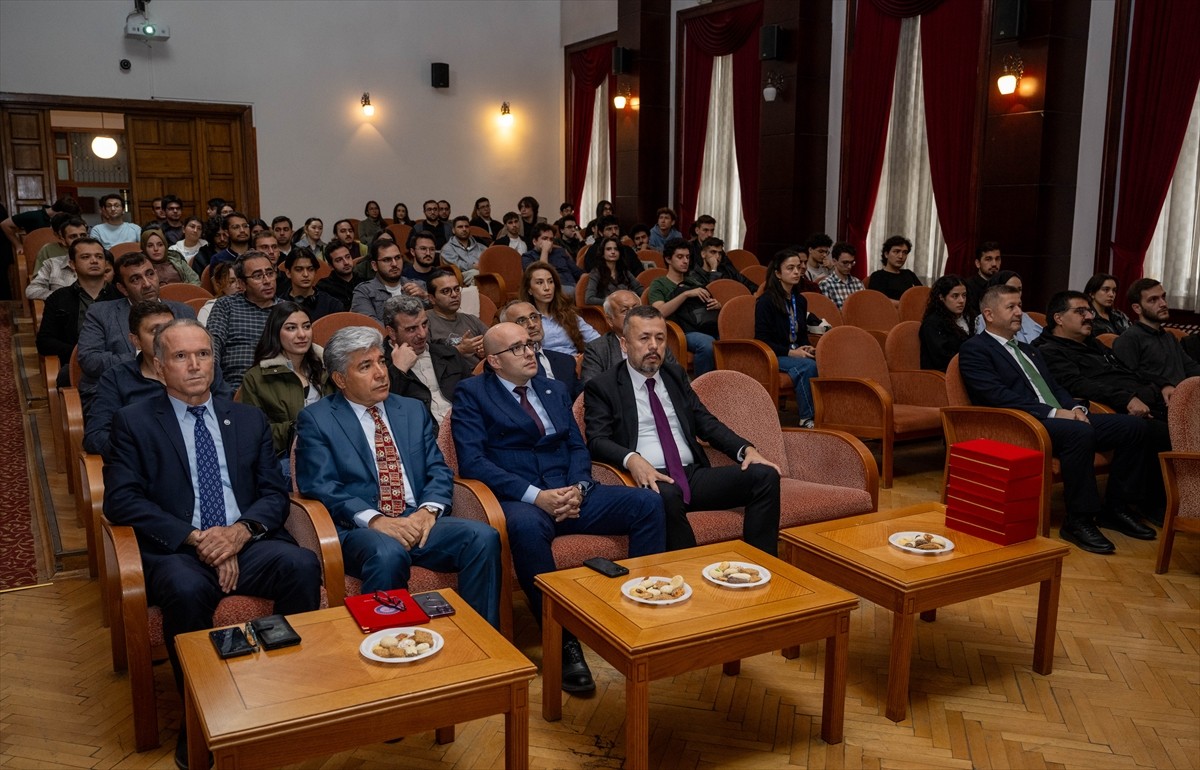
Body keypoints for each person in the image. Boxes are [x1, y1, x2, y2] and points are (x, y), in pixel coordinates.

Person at [102, 319, 321, 769]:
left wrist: (238, 534)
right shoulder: (134, 422)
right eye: (181, 357)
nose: (195, 365)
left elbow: (273, 493)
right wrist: (196, 538)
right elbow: (122, 500)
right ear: (159, 366)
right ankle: (199, 716)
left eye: (202, 354)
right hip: (177, 548)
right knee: (185, 589)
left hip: (246, 540)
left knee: (300, 565)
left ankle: (281, 692)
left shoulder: (246, 418)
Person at [452, 322, 665, 691]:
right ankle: (563, 642)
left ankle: (637, 612)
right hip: (522, 499)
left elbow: (578, 447)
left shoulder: (553, 388)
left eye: (530, 344)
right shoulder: (472, 393)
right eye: (517, 348)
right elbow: (473, 462)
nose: (529, 352)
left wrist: (579, 487)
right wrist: (537, 496)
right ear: (494, 361)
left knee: (648, 503)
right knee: (525, 528)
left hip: (571, 490)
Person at [295, 326, 502, 628]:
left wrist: (428, 511)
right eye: (365, 366)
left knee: (483, 537)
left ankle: (479, 639)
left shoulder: (411, 409)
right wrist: (376, 521)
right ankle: (389, 647)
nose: (381, 373)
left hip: (416, 517)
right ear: (340, 379)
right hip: (360, 528)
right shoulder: (317, 419)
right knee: (387, 553)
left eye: (381, 361)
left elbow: (438, 468)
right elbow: (320, 485)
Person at [958, 285, 1156, 554]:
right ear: (989, 315)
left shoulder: (1029, 350)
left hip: (1059, 418)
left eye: (1020, 305)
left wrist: (1076, 409)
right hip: (1023, 423)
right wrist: (1054, 413)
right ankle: (1079, 520)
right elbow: (997, 396)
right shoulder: (975, 349)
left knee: (1134, 427)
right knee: (1079, 433)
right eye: (1011, 307)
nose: (1019, 312)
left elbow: (1056, 389)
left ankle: (1117, 508)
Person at [585, 304, 782, 554]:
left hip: (691, 475)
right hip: (651, 477)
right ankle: (689, 570)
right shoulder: (603, 386)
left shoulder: (674, 375)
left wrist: (745, 450)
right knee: (664, 495)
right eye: (644, 338)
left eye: (660, 338)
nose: (653, 346)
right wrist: (632, 459)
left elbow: (705, 422)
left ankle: (761, 564)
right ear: (624, 344)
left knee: (764, 476)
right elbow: (597, 440)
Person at [1033, 290, 1170, 520]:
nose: (1089, 316)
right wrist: (1126, 399)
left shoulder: (1093, 343)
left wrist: (1163, 384)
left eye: (1089, 311)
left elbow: (1128, 371)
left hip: (1145, 397)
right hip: (1112, 406)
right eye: (1081, 311)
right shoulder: (1048, 350)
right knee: (1161, 432)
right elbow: (1078, 385)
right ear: (1058, 318)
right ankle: (1150, 504)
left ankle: (1179, 499)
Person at [84, 301, 232, 456]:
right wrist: (147, 448)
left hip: (209, 452)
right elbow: (96, 437)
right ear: (136, 341)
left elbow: (228, 417)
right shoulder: (116, 378)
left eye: (170, 327)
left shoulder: (203, 371)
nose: (164, 336)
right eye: (154, 330)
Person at [76, 252, 196, 406]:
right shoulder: (101, 313)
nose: (147, 284)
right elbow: (90, 360)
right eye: (135, 279)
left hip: (179, 391)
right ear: (122, 288)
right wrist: (142, 358)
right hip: (120, 395)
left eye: (150, 274)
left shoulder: (184, 312)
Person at [237, 301, 333, 463]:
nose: (302, 334)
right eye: (291, 328)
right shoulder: (256, 378)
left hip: (332, 450)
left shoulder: (327, 369)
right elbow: (252, 432)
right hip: (285, 457)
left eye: (306, 326)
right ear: (275, 333)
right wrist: (296, 429)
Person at [36, 238, 120, 386]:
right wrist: (81, 354)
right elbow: (44, 342)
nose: (94, 261)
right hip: (77, 367)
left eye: (99, 257)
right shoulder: (59, 298)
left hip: (118, 365)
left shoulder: (121, 296)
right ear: (72, 264)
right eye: (85, 257)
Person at [381, 294, 471, 426]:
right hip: (421, 433)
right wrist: (398, 370)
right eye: (412, 329)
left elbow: (474, 393)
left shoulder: (449, 354)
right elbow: (383, 410)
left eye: (424, 324)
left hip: (463, 425)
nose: (422, 334)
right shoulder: (379, 364)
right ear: (392, 332)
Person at [755, 250, 820, 427]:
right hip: (774, 354)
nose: (796, 272)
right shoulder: (766, 301)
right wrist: (791, 353)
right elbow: (762, 339)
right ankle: (807, 417)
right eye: (790, 268)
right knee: (807, 366)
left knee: (824, 360)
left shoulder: (800, 301)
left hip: (794, 352)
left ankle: (826, 415)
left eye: (798, 267)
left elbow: (802, 334)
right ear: (778, 273)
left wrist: (807, 347)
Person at [1113, 278, 1200, 398]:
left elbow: (1190, 367)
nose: (1163, 304)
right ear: (1137, 308)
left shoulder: (1169, 336)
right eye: (1153, 300)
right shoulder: (1129, 339)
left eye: (1163, 297)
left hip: (1186, 398)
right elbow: (1128, 379)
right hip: (1159, 402)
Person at [206, 251, 280, 389]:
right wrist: (218, 387)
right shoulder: (226, 305)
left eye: (270, 273)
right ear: (241, 283)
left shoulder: (286, 310)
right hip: (235, 386)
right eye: (257, 276)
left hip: (279, 385)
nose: (267, 281)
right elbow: (212, 345)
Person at [648, 238, 719, 375]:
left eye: (687, 257)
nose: (685, 261)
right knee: (706, 343)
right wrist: (685, 294)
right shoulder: (659, 283)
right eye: (680, 257)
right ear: (668, 259)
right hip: (677, 331)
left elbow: (706, 305)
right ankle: (701, 386)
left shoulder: (693, 281)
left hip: (700, 325)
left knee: (728, 342)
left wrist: (717, 305)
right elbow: (660, 312)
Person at [581, 290, 678, 382]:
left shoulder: (656, 343)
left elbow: (678, 379)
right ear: (610, 320)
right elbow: (591, 388)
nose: (632, 314)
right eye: (625, 310)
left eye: (636, 309)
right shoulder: (597, 348)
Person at [498, 300, 581, 396]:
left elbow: (578, 400)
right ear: (507, 329)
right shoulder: (504, 365)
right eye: (522, 321)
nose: (532, 325)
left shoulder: (566, 361)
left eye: (534, 317)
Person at [519, 263, 598, 355]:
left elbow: (595, 339)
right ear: (529, 289)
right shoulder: (524, 319)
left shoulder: (568, 313)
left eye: (550, 282)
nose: (547, 288)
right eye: (540, 283)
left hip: (574, 360)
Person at [351, 239, 423, 325]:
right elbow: (370, 325)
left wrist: (425, 298)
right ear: (374, 265)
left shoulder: (418, 286)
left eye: (397, 258)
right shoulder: (364, 292)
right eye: (387, 260)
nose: (394, 264)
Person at [425, 269, 487, 368]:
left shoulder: (471, 319)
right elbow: (424, 357)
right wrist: (459, 350)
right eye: (446, 291)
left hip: (480, 372)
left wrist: (485, 348)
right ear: (432, 298)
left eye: (457, 289)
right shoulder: (424, 322)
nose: (454, 295)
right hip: (448, 375)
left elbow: (495, 341)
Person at [24, 216, 90, 299]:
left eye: (83, 235)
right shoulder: (52, 264)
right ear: (63, 240)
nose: (79, 240)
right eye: (73, 236)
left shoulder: (99, 262)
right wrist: (60, 296)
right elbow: (32, 291)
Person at [919, 275, 971, 372]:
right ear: (941, 297)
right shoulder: (932, 323)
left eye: (964, 295)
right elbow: (942, 358)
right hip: (943, 374)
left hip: (966, 367)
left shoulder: (969, 317)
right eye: (955, 296)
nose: (961, 300)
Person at [973, 271, 1042, 343]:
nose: (1016, 293)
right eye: (1010, 289)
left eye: (1019, 289)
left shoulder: (1024, 316)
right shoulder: (983, 319)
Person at [1, 195, 80, 256]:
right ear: (61, 213)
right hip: (37, 255)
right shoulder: (34, 216)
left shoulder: (60, 220)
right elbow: (5, 224)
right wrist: (18, 245)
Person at [280, 247, 340, 321]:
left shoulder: (332, 304)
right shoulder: (279, 305)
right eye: (299, 270)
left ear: (315, 272)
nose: (306, 274)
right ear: (288, 273)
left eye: (310, 269)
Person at [523, 223, 583, 295]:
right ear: (535, 241)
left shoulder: (560, 252)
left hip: (572, 286)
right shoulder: (528, 256)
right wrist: (545, 251)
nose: (549, 242)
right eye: (545, 239)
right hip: (551, 289)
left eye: (551, 239)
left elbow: (577, 272)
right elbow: (541, 277)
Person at [585, 236, 643, 306]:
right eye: (608, 249)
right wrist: (612, 303)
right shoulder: (596, 272)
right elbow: (589, 299)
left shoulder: (624, 271)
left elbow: (640, 290)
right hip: (608, 309)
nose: (613, 252)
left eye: (616, 249)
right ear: (602, 253)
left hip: (629, 306)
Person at [868, 235, 922, 301]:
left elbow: (923, 294)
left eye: (905, 252)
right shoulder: (878, 276)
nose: (901, 256)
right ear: (886, 254)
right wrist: (906, 304)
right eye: (896, 251)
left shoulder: (909, 274)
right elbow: (877, 300)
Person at [315, 241, 364, 312]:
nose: (346, 262)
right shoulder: (323, 287)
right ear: (331, 266)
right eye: (339, 260)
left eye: (348, 257)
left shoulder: (363, 281)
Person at [818, 242, 865, 310]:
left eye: (852, 262)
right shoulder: (826, 284)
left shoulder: (858, 283)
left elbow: (864, 309)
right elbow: (827, 312)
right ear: (834, 261)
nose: (849, 266)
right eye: (845, 262)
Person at [441, 215, 485, 285]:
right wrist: (473, 266)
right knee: (476, 274)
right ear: (453, 230)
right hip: (460, 275)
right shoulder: (447, 248)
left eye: (466, 226)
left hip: (482, 271)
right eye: (460, 227)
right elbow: (456, 265)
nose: (464, 229)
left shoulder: (480, 246)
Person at [965, 241, 1002, 323]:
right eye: (988, 259)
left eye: (997, 259)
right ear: (978, 263)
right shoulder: (968, 286)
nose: (994, 264)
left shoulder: (1004, 285)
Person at [197, 260, 242, 326]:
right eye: (232, 281)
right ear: (219, 285)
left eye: (241, 280)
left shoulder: (254, 305)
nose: (239, 285)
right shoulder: (208, 310)